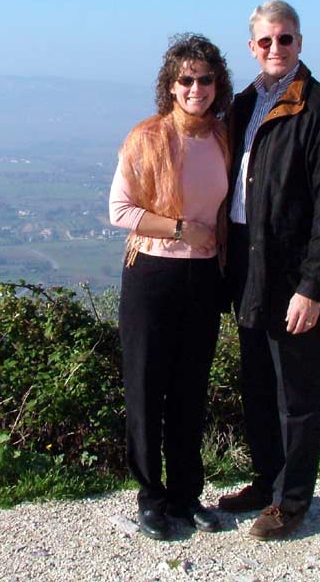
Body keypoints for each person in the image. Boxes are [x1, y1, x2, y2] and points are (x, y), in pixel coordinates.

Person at [218, 0, 320, 540]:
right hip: (248, 265)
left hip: (295, 273)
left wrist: (313, 287)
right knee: (257, 384)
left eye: (286, 39)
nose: (276, 49)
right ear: (251, 46)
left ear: (300, 42)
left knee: (297, 395)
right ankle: (265, 481)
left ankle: (292, 502)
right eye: (266, 41)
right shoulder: (243, 103)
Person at [109, 34, 232, 540]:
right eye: (186, 79)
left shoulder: (224, 137)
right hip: (153, 275)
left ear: (217, 83)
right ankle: (150, 498)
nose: (195, 88)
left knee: (189, 390)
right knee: (145, 387)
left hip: (203, 278)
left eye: (205, 79)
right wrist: (183, 228)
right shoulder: (147, 137)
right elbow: (120, 211)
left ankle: (185, 494)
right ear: (171, 85)